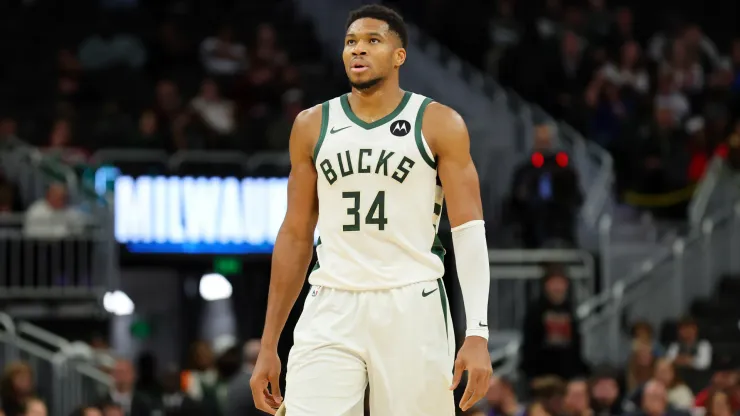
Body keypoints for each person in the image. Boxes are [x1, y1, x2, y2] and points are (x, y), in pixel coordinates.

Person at [249, 4, 492, 415]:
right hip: (331, 301)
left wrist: (479, 333)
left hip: (411, 302)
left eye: (372, 41)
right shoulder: (312, 125)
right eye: (350, 42)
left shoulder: (438, 123)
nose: (357, 50)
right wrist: (269, 343)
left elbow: (469, 230)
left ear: (400, 56)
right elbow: (294, 234)